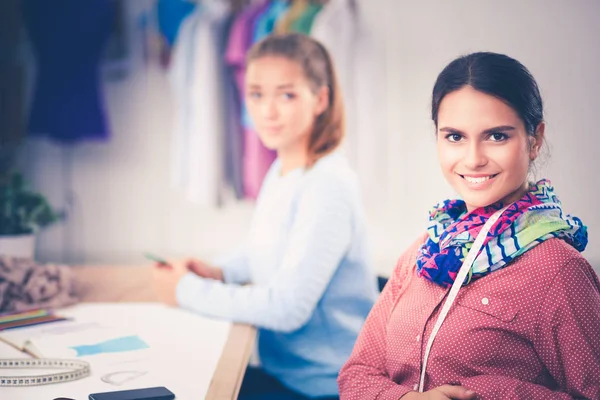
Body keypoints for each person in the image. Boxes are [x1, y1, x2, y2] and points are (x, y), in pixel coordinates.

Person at [338, 52, 600, 399]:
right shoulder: (424, 253)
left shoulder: (558, 270)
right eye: (455, 137)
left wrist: (489, 393)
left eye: (496, 136)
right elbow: (356, 375)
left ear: (534, 140)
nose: (473, 159)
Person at [153, 33, 378, 400]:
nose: (267, 111)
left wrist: (184, 290)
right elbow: (265, 247)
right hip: (286, 372)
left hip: (326, 386)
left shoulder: (327, 185)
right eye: (256, 94)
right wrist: (220, 271)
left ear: (320, 99)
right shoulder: (283, 170)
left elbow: (288, 309)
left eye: (286, 95)